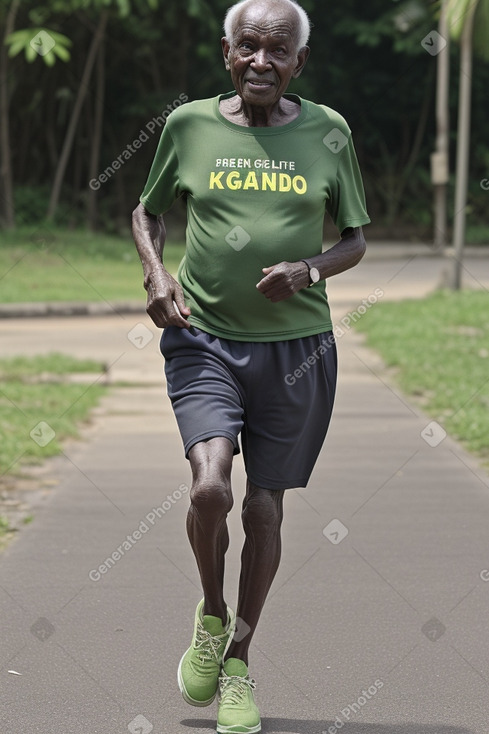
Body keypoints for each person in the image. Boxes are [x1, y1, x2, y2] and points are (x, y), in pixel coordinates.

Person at [132, 0, 370, 731]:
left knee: (263, 508)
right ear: (226, 53)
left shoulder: (328, 131)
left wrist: (307, 269)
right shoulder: (189, 125)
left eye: (277, 51)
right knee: (210, 491)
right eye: (247, 48)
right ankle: (210, 613)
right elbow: (147, 211)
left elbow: (355, 239)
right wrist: (156, 276)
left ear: (299, 61)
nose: (260, 62)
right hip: (204, 341)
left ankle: (237, 658)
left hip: (296, 354)